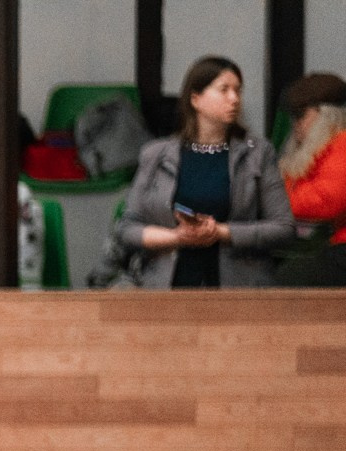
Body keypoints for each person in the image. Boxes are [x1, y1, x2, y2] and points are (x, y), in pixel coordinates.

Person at [120, 56, 295, 289]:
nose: (234, 99)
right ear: (195, 99)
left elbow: (283, 228)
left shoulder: (258, 153)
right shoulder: (155, 154)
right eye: (224, 90)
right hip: (165, 284)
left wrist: (221, 232)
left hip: (239, 285)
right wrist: (177, 237)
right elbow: (127, 228)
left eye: (238, 91)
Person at [277, 73, 346, 286]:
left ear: (324, 115)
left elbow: (327, 200)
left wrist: (271, 200)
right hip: (337, 243)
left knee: (284, 280)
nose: (294, 124)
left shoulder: (341, 145)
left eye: (300, 115)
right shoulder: (328, 147)